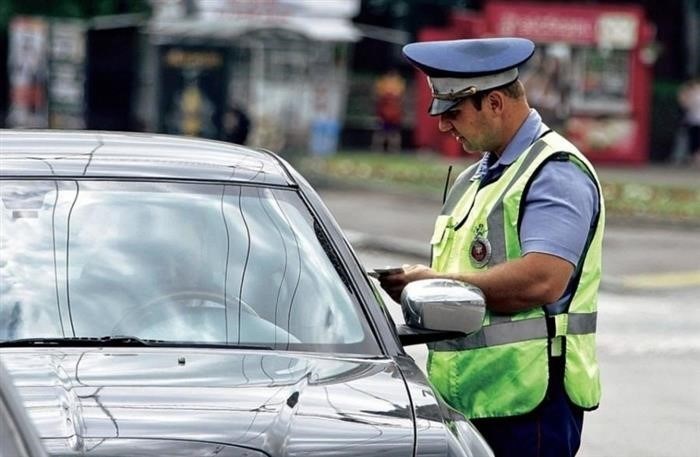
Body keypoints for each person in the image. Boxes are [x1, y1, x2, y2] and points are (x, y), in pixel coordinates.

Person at [378, 37, 605, 457]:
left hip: (527, 405)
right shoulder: (477, 177)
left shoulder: (553, 172)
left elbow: (543, 280)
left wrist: (435, 281)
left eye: (454, 111)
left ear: (496, 103)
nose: (445, 125)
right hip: (466, 401)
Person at [371, 69, 405, 153]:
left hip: (394, 114)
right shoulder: (383, 82)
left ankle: (393, 150)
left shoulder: (398, 82)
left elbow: (400, 98)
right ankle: (378, 149)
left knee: (393, 133)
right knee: (381, 133)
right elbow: (377, 96)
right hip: (384, 113)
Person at [677, 77, 700, 166]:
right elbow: (684, 103)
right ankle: (695, 159)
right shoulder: (691, 93)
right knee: (693, 141)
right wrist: (684, 92)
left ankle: (697, 159)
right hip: (692, 120)